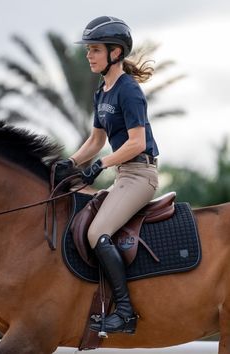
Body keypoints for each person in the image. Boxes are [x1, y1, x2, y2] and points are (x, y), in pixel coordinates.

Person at [55, 16, 159, 335]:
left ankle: (125, 313)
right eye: (88, 50)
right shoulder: (103, 91)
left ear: (116, 52)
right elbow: (96, 140)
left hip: (141, 175)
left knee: (96, 231)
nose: (89, 55)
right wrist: (69, 163)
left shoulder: (129, 91)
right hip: (123, 175)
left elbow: (137, 142)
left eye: (95, 49)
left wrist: (102, 164)